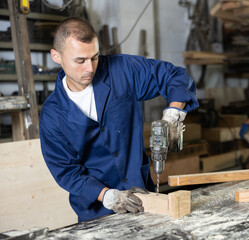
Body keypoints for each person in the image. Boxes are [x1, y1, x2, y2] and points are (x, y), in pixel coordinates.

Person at [39, 17, 198, 222]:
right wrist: (107, 195)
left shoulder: (122, 71)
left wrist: (174, 115)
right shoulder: (52, 115)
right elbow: (66, 172)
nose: (90, 68)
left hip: (144, 199)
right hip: (96, 212)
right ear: (56, 56)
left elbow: (175, 76)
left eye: (94, 57)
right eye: (80, 60)